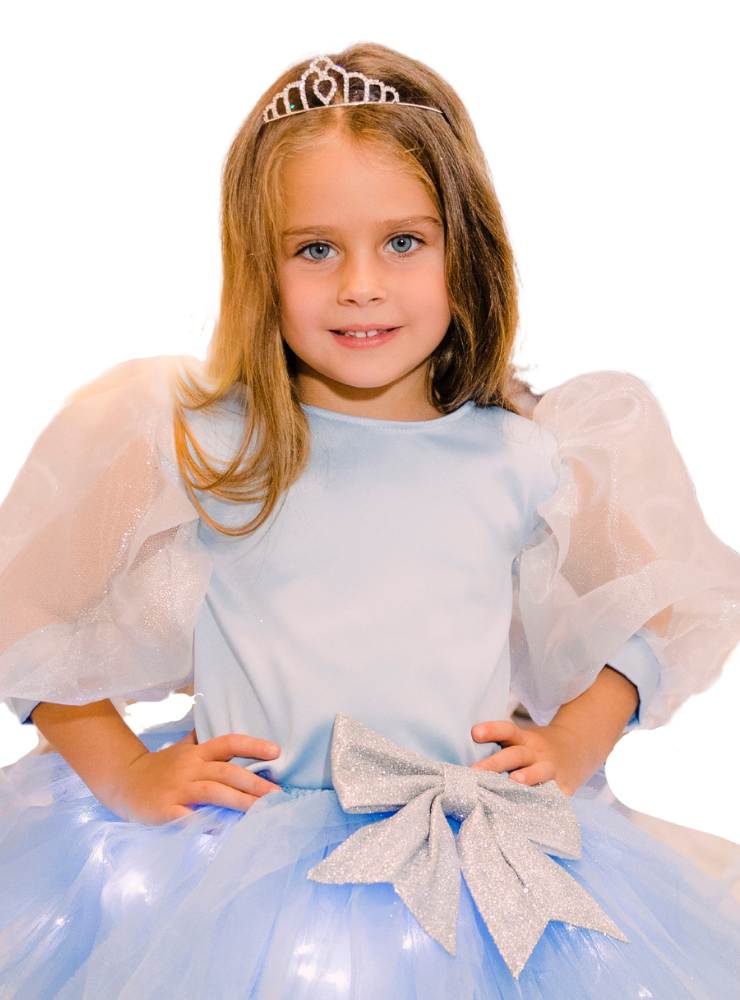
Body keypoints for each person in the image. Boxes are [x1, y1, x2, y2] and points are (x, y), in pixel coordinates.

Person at [1, 43, 739, 1000]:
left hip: (471, 866)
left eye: (403, 242)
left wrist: (576, 741)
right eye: (315, 249)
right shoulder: (208, 442)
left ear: (464, 246)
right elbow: (24, 611)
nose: (361, 284)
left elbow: (658, 607)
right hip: (239, 876)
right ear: (258, 264)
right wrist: (127, 776)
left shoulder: (525, 453)